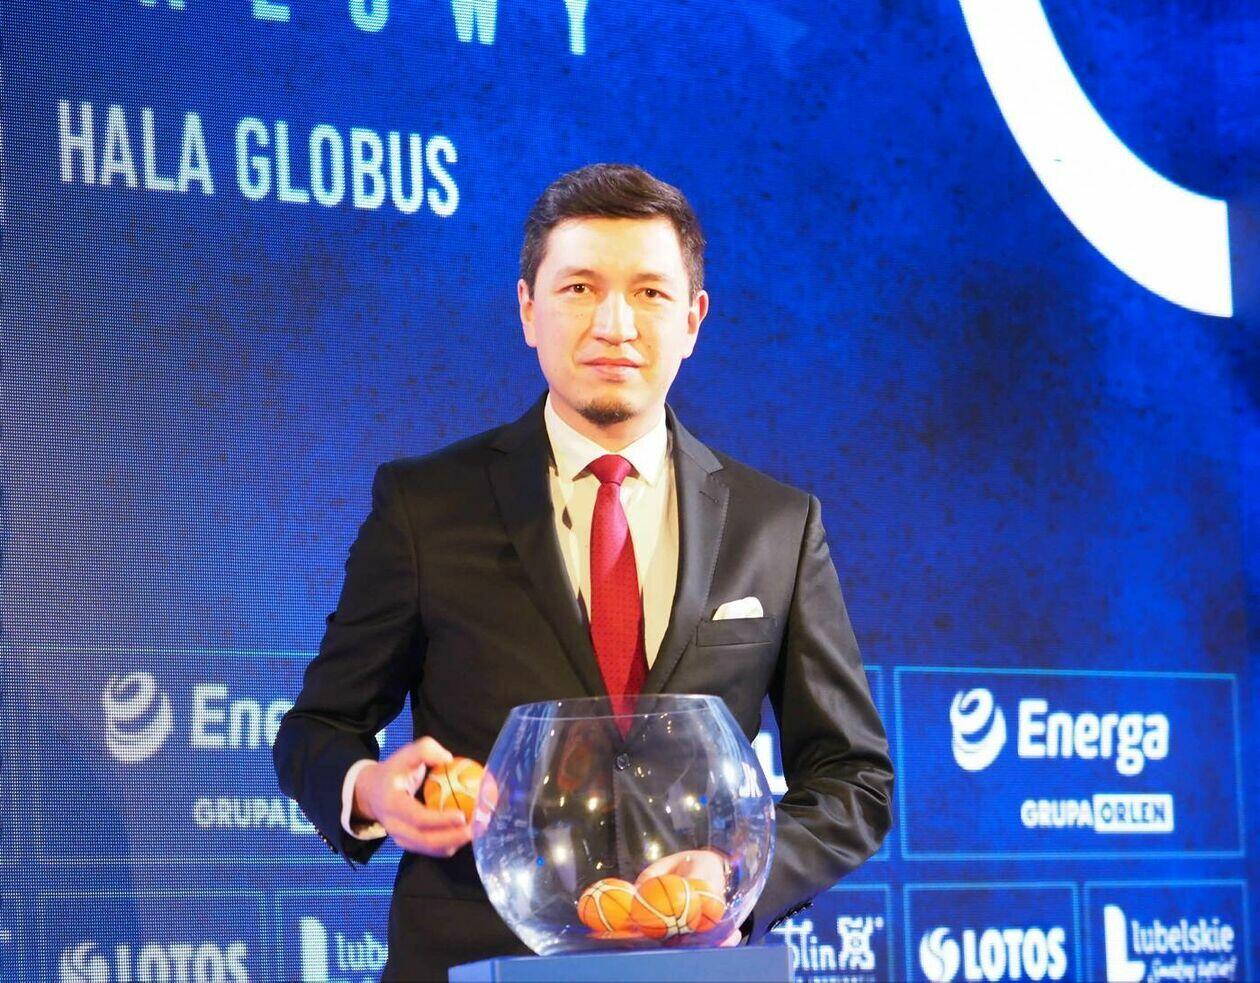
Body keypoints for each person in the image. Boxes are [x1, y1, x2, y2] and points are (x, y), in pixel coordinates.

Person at [274, 163, 893, 980]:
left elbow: (853, 777)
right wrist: (369, 789)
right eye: (578, 288)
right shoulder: (426, 506)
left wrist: (742, 879)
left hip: (691, 967)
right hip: (475, 961)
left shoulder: (776, 524)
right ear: (527, 309)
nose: (614, 324)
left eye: (649, 292)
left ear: (693, 319)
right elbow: (316, 728)